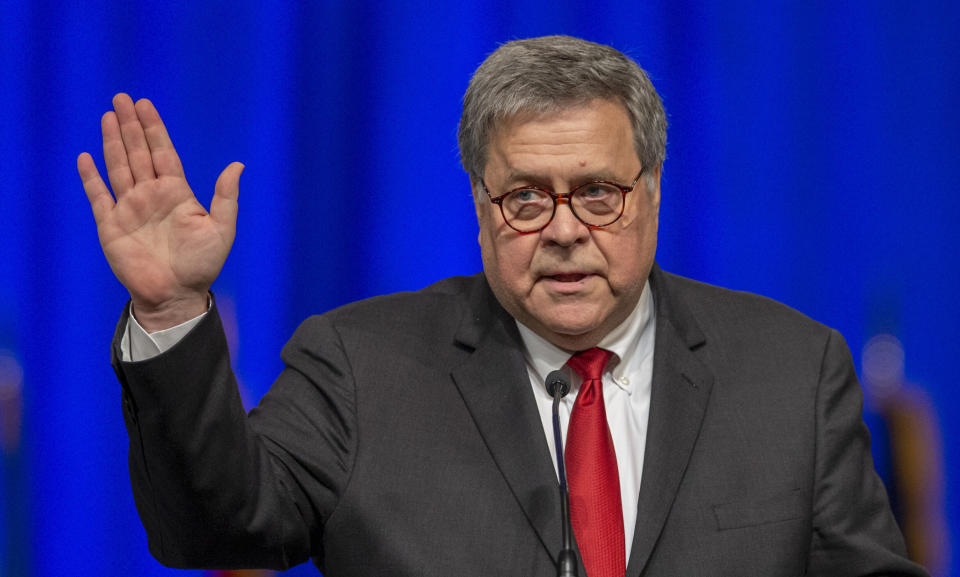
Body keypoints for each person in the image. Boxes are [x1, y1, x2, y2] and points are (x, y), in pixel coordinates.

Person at [77, 36, 927, 576]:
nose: (564, 230)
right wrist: (176, 305)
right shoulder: (358, 365)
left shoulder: (791, 370)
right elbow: (214, 529)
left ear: (654, 193)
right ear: (480, 208)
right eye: (525, 197)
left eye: (598, 193)